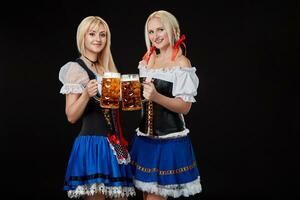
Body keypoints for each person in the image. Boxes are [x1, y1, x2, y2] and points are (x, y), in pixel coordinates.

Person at [58, 16, 135, 200]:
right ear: (82, 37)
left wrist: (129, 99)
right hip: (92, 145)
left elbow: (113, 112)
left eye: (102, 34)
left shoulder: (108, 69)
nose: (98, 39)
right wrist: (86, 94)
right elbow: (71, 116)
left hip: (115, 145)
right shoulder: (76, 69)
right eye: (92, 34)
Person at [129, 10, 202, 199]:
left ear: (174, 30)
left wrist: (156, 96)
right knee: (145, 196)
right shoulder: (148, 59)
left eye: (160, 29)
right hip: (144, 139)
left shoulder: (181, 63)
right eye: (151, 32)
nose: (155, 36)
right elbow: (143, 98)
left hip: (169, 141)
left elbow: (185, 107)